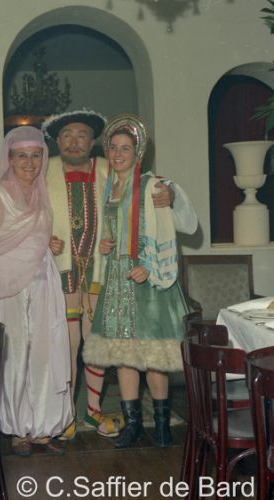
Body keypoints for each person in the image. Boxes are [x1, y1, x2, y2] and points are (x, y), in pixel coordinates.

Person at [0, 110, 189, 441]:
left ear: (93, 143)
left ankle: (93, 410)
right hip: (57, 270)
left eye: (82, 136)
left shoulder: (109, 168)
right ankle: (64, 414)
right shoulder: (42, 170)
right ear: (56, 142)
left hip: (103, 271)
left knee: (97, 344)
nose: (74, 141)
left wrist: (171, 194)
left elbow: (145, 183)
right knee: (64, 344)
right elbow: (10, 198)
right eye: (67, 135)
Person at [0, 126, 72, 457]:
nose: (29, 163)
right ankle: (19, 430)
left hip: (43, 282)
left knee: (45, 352)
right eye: (22, 156)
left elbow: (31, 235)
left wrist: (48, 243)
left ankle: (44, 428)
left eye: (36, 155)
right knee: (15, 356)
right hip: (6, 287)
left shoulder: (41, 193)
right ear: (10, 159)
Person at [82, 113, 197, 449]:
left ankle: (161, 426)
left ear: (138, 153)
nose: (118, 154)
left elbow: (173, 227)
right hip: (117, 279)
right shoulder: (110, 186)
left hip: (147, 281)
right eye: (113, 147)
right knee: (124, 356)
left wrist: (149, 266)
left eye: (125, 148)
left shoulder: (151, 185)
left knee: (153, 356)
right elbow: (114, 229)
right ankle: (133, 425)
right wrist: (106, 244)